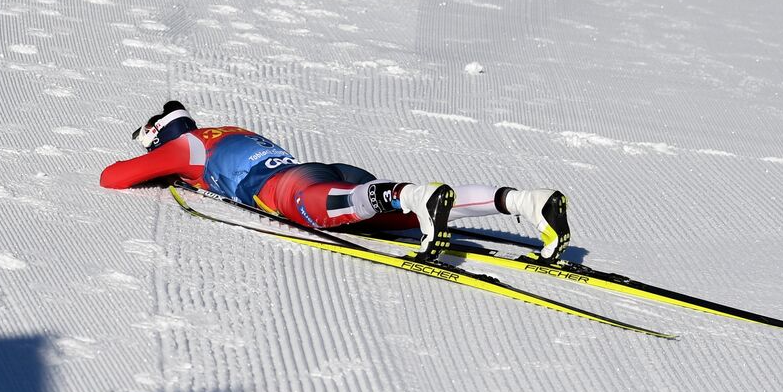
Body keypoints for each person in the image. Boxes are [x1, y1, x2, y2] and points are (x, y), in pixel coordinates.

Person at [99, 100, 571, 261]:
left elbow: (113, 178)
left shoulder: (185, 147)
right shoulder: (228, 130)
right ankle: (525, 202)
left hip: (289, 189)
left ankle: (414, 197)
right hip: (326, 172)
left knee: (327, 211)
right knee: (396, 216)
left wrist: (166, 170)